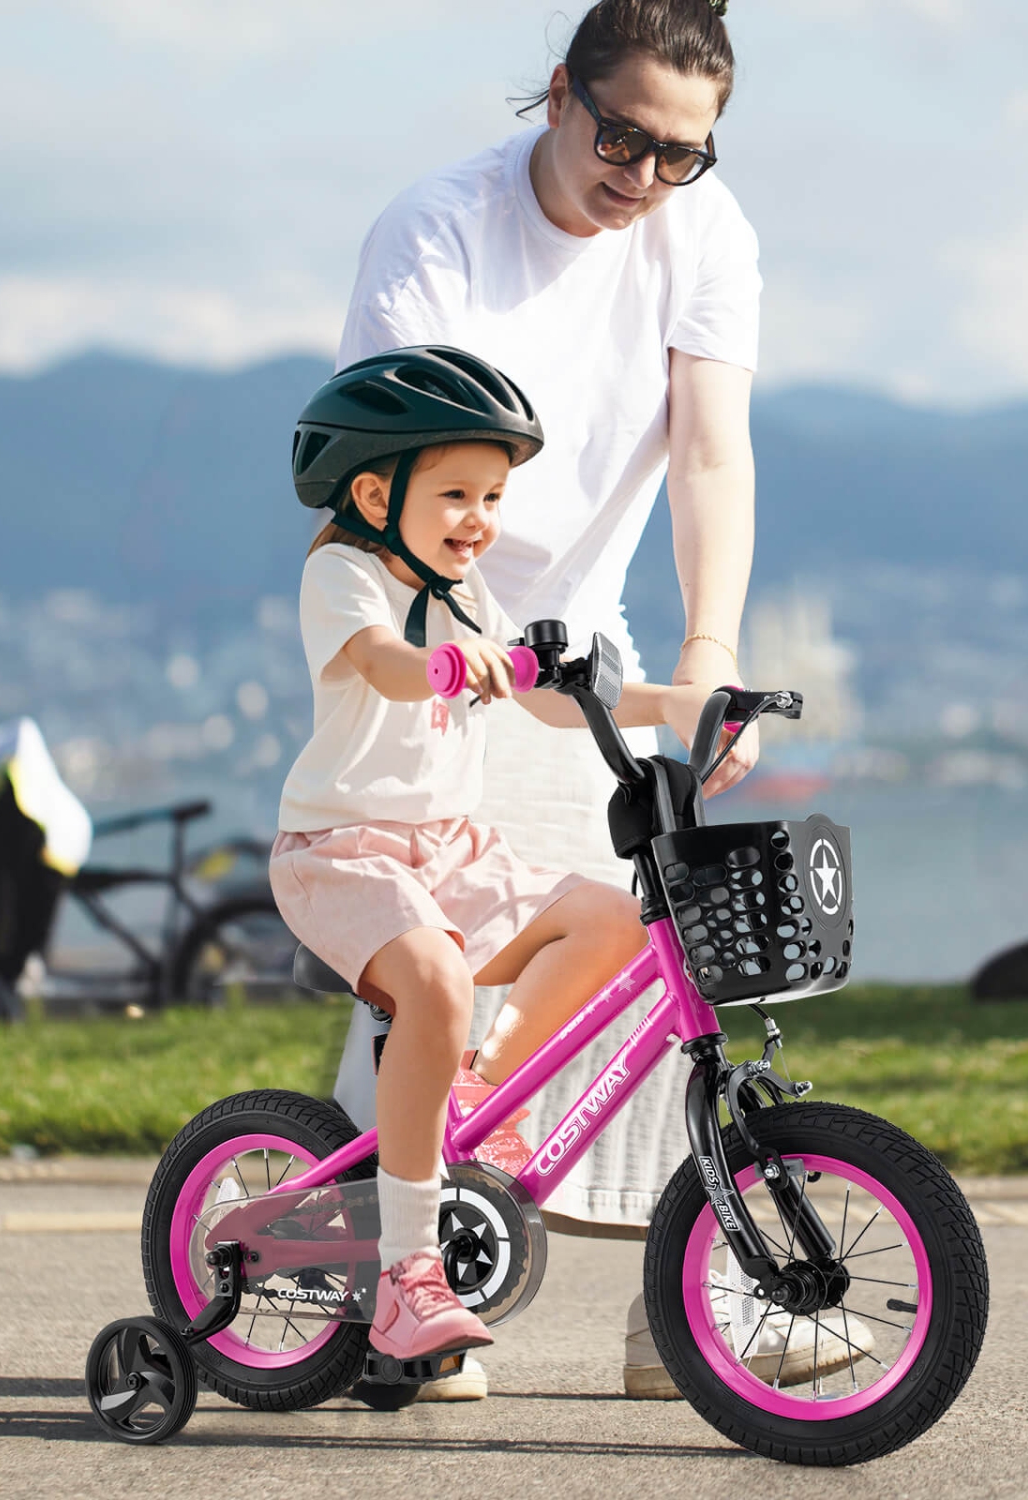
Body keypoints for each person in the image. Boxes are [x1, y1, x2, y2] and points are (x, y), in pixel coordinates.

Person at [328, 0, 761, 1398]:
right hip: (444, 624)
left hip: (584, 640)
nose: (644, 173)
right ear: (561, 95)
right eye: (622, 133)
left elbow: (708, 456)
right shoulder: (437, 229)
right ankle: (387, 1289)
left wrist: (706, 660)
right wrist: (463, 663)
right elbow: (385, 472)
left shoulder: (708, 234)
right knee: (440, 956)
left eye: (679, 152)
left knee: (653, 944)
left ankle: (668, 1326)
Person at [272, 345, 715, 1367]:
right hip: (341, 853)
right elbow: (383, 667)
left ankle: (475, 1088)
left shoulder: (468, 594)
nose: (481, 518)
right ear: (376, 491)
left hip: (448, 851)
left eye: (495, 496)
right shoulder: (341, 573)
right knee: (430, 974)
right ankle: (405, 1281)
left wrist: (678, 704)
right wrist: (439, 663)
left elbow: (551, 697)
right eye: (459, 492)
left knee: (611, 917)